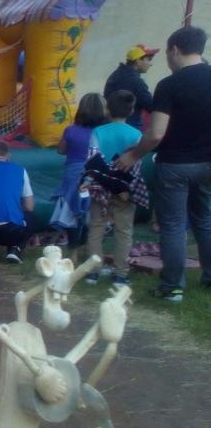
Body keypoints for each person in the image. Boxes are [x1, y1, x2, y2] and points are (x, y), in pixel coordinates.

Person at [115, 26, 211, 302]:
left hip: (174, 165)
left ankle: (172, 287)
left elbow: (156, 133)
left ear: (175, 50)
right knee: (205, 220)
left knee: (173, 225)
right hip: (207, 163)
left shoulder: (169, 85)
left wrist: (134, 155)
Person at [82, 90, 145, 286]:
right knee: (124, 230)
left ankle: (93, 272)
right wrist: (123, 188)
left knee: (96, 227)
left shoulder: (98, 132)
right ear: (132, 110)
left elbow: (92, 161)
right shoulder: (137, 135)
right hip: (125, 189)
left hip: (100, 187)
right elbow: (136, 165)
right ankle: (120, 274)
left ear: (107, 109)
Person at [49, 93, 107, 260]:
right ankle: (92, 250)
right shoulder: (102, 132)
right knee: (92, 213)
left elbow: (61, 150)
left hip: (73, 176)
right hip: (95, 174)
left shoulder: (71, 130)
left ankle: (72, 253)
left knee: (71, 214)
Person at [103, 44, 158, 129]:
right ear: (138, 61)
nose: (151, 64)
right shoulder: (136, 82)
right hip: (131, 129)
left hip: (109, 127)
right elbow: (154, 108)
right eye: (149, 59)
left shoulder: (115, 75)